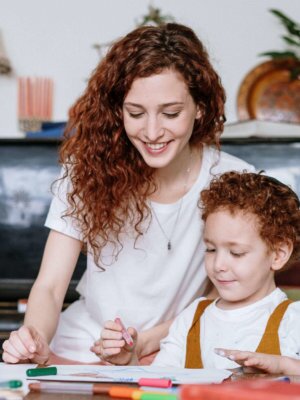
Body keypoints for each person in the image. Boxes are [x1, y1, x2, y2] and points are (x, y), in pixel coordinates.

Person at [2, 23, 254, 365]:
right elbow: (49, 287)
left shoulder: (235, 181)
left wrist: (148, 342)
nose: (152, 132)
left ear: (200, 108)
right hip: (82, 345)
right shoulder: (85, 171)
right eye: (135, 113)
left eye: (171, 113)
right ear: (117, 111)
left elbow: (223, 296)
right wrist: (34, 340)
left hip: (178, 345)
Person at [99, 171, 300, 369]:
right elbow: (159, 384)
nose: (218, 265)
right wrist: (129, 363)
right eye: (211, 249)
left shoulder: (293, 319)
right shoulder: (192, 318)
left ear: (278, 254)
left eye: (236, 253)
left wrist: (284, 366)